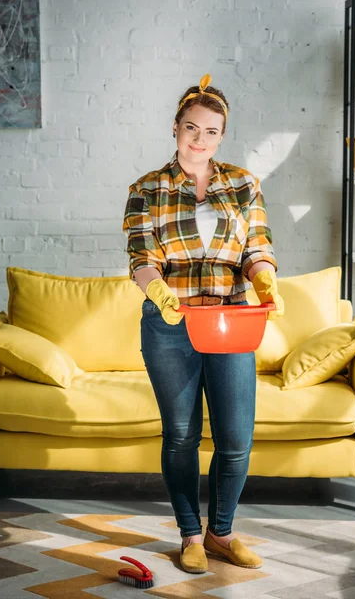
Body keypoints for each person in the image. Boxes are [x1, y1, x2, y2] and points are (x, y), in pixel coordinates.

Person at [122, 73, 284, 574]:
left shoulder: (242, 184)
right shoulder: (146, 189)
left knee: (235, 440)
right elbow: (141, 257)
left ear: (221, 136)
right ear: (175, 129)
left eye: (210, 131)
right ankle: (191, 535)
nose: (199, 139)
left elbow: (257, 247)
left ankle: (222, 533)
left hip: (231, 320)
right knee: (181, 436)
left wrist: (265, 282)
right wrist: (159, 292)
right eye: (190, 128)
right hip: (171, 323)